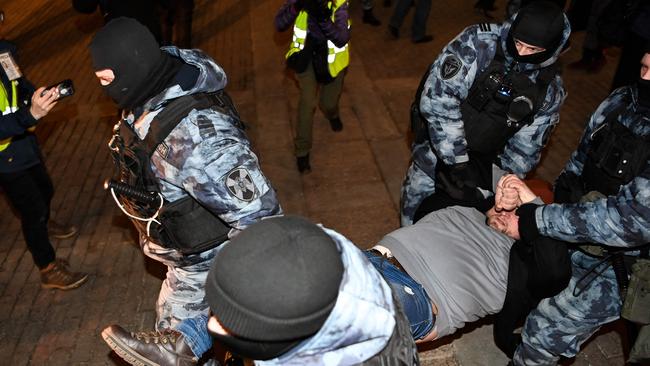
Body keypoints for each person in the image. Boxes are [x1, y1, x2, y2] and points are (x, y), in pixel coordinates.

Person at [87, 17, 282, 360]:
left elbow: (261, 221)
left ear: (132, 67)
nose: (105, 90)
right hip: (185, 257)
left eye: (107, 80)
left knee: (176, 349)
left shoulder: (197, 139)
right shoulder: (152, 82)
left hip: (210, 264)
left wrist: (235, 299)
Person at [493, 51, 650, 365]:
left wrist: (539, 219)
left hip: (634, 261)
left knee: (546, 327)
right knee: (526, 279)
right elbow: (579, 164)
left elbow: (633, 221)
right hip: (586, 232)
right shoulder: (622, 100)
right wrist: (536, 203)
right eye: (645, 66)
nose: (645, 80)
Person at [401, 1, 570, 226]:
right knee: (411, 220)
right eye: (518, 43)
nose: (521, 53)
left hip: (484, 173)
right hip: (434, 155)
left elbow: (525, 149)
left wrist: (502, 186)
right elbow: (438, 100)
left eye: (533, 50)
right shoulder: (478, 43)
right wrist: (458, 164)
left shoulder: (549, 89)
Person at [0, 10, 87, 290]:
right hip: (4, 157)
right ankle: (47, 267)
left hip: (24, 142)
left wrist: (38, 95)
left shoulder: (3, 51)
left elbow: (19, 83)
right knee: (32, 207)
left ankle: (43, 221)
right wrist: (30, 116)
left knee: (45, 190)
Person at [275, 0, 351, 173]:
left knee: (328, 103)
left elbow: (341, 39)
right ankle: (302, 151)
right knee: (308, 102)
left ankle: (333, 113)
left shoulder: (340, 3)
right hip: (306, 56)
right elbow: (279, 24)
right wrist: (297, 6)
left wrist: (323, 18)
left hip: (332, 61)